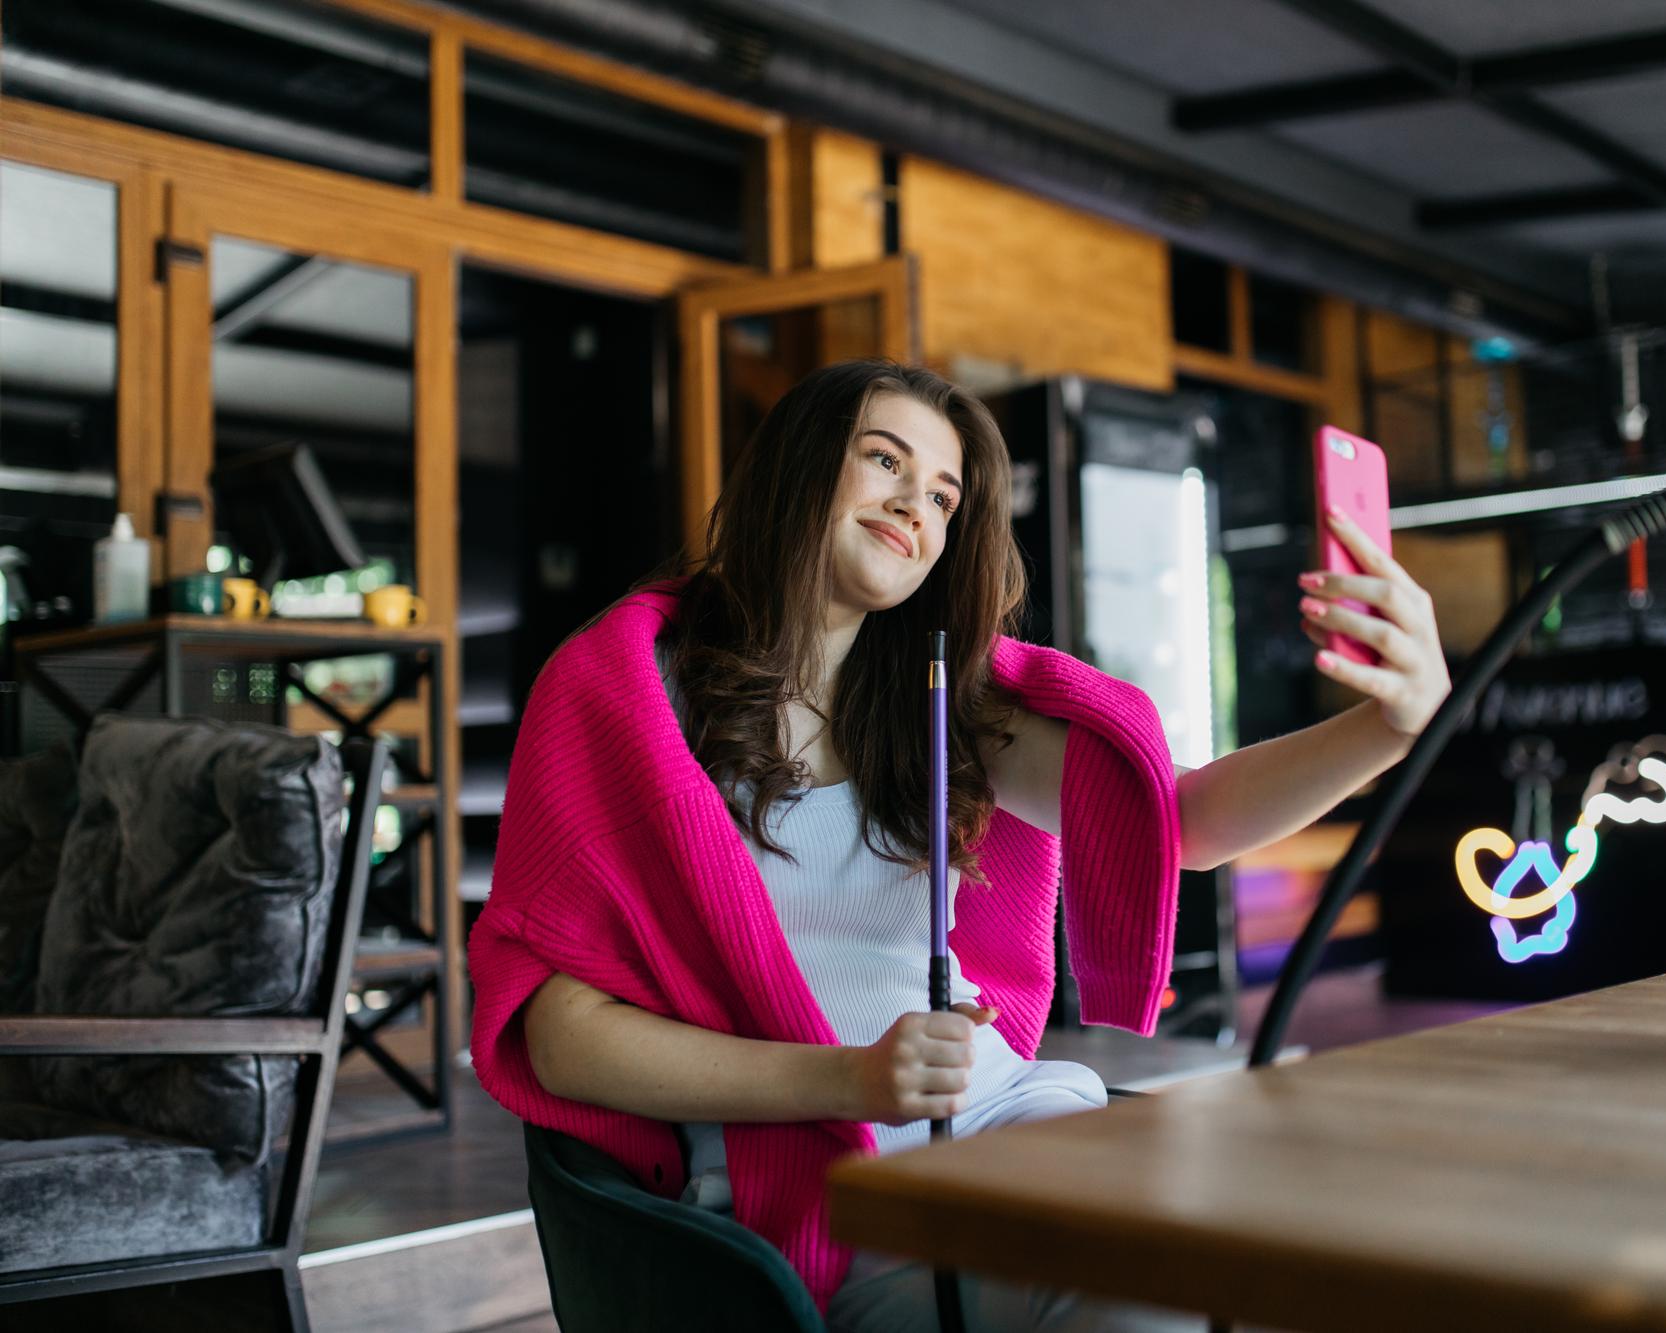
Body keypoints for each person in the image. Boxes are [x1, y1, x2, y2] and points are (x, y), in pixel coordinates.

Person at [467, 360, 1448, 1331]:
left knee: (1252, 1246)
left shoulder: (941, 706)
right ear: (795, 465)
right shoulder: (630, 696)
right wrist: (847, 1080)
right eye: (884, 460)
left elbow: (1176, 822)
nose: (915, 508)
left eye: (942, 496)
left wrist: (1383, 730)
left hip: (992, 1119)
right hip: (822, 1194)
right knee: (1138, 1295)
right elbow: (561, 1039)